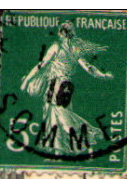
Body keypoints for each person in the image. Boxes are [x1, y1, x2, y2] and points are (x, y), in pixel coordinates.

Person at [19, 22, 114, 156]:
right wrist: (103, 76)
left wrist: (27, 81)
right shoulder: (74, 49)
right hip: (67, 85)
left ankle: (89, 134)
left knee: (59, 114)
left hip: (56, 84)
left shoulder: (56, 47)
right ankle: (58, 150)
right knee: (55, 114)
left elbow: (41, 65)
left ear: (61, 33)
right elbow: (88, 67)